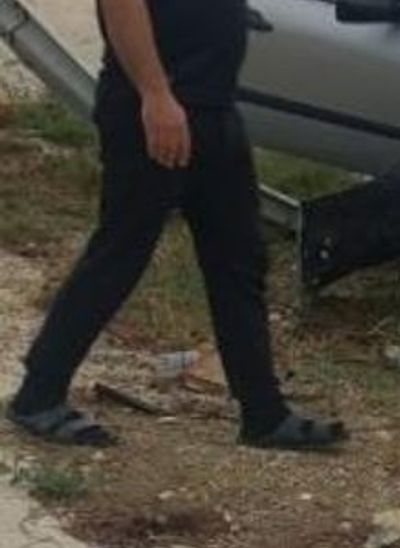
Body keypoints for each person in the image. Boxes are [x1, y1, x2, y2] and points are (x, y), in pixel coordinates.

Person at [6, 0, 347, 450]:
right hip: (156, 111)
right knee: (120, 254)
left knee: (240, 260)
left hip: (214, 108)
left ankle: (263, 414)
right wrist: (155, 95)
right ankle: (38, 396)